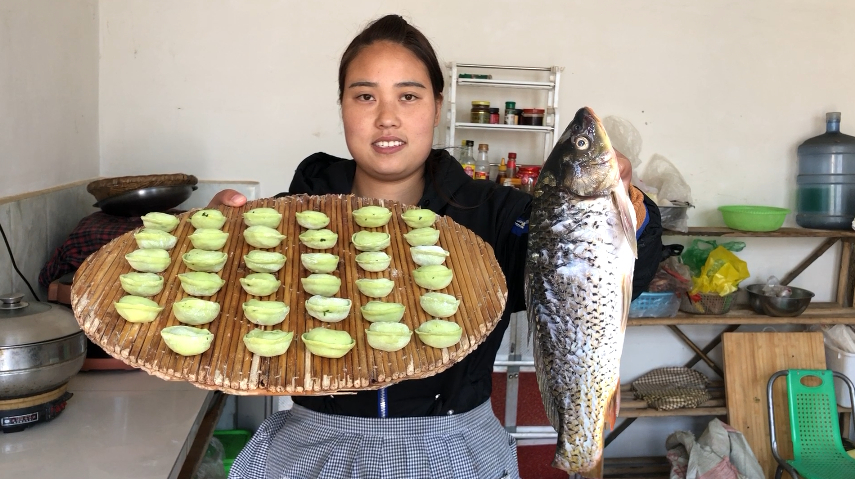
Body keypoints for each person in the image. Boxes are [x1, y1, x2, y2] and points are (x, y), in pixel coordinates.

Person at [210, 14, 663, 479]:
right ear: (342, 105)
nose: (387, 117)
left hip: (456, 455)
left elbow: (593, 283)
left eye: (408, 96)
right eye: (364, 95)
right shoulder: (289, 220)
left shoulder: (496, 215)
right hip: (312, 452)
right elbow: (233, 314)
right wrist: (214, 248)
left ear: (437, 106)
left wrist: (621, 213)